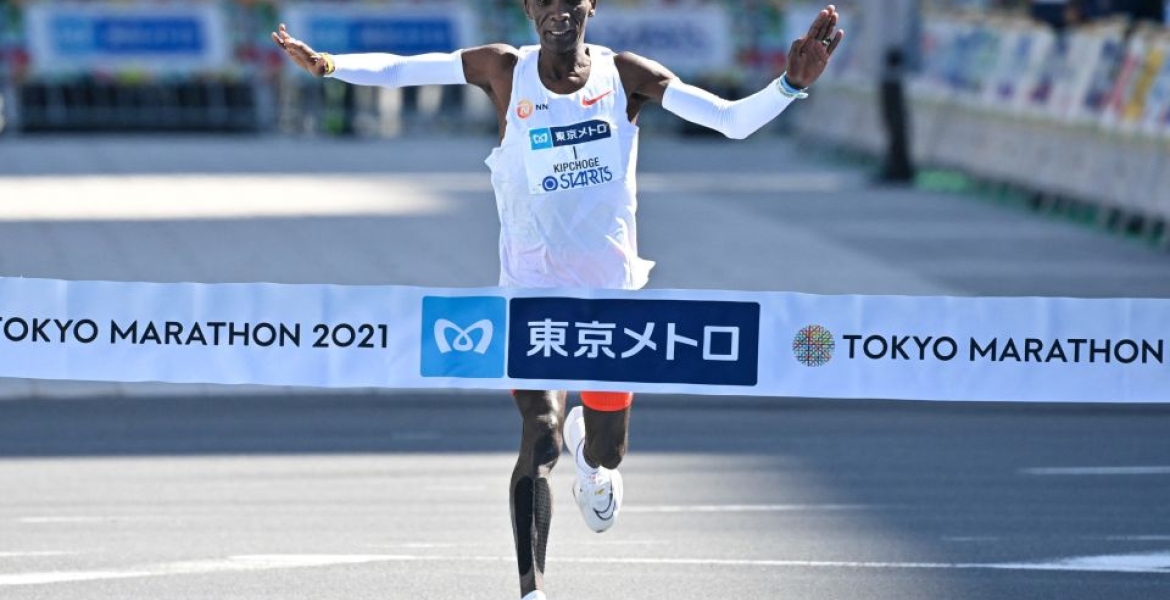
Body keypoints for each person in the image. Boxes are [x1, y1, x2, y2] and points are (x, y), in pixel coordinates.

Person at [273, 3, 843, 599]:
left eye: (568, 0)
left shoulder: (626, 75)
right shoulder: (502, 69)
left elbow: (729, 120)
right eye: (542, 1)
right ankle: (531, 590)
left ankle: (592, 463)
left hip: (609, 303)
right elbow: (401, 71)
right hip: (531, 292)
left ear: (588, 5)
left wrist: (789, 87)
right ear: (529, 9)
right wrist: (330, 66)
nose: (556, 12)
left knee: (608, 450)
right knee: (538, 433)